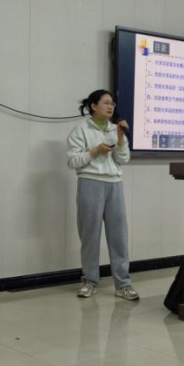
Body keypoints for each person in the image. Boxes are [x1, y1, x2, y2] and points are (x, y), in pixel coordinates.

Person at [67, 90, 139, 301]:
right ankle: (89, 281)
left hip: (114, 184)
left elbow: (123, 159)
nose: (110, 107)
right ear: (93, 106)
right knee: (90, 235)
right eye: (106, 103)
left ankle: (123, 284)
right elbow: (72, 161)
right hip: (90, 182)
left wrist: (120, 139)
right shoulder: (81, 130)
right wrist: (95, 150)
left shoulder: (115, 129)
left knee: (119, 237)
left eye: (112, 104)